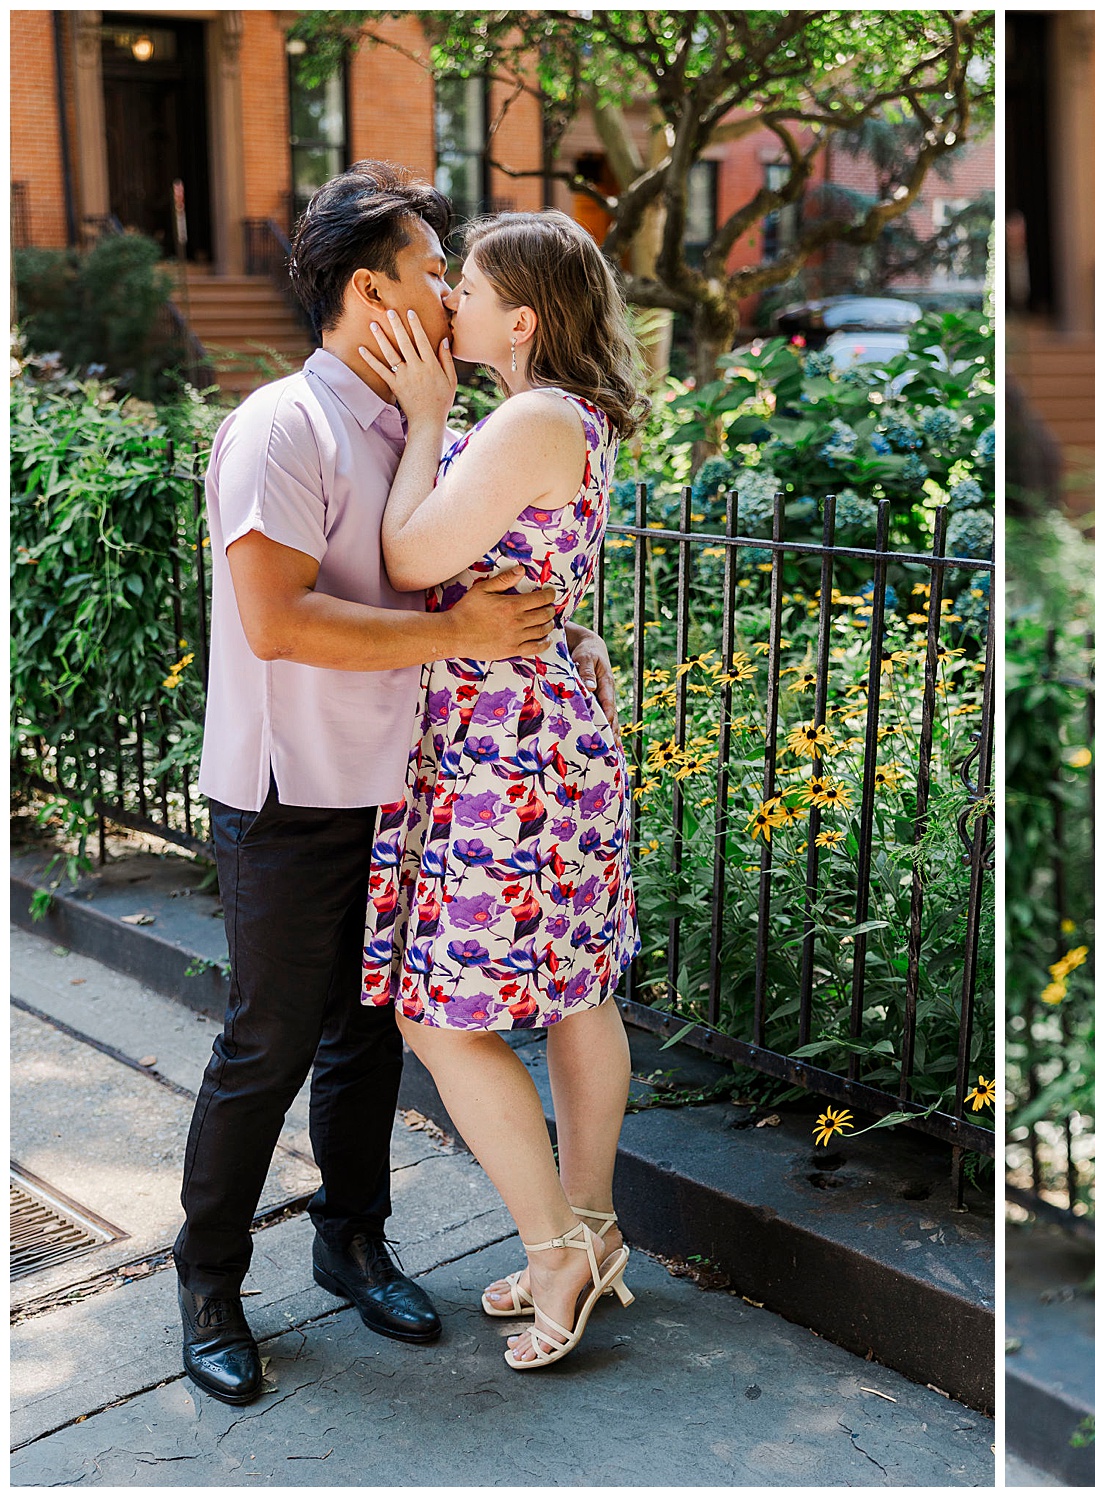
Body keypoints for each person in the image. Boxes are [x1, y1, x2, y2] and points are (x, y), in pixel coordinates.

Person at [180, 163, 617, 1406]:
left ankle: (352, 1245)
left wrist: (555, 631)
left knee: (365, 1038)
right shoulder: (284, 424)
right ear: (368, 288)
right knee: (266, 1045)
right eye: (432, 270)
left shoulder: (420, 427)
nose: (444, 288)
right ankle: (209, 1278)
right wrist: (465, 633)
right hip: (290, 786)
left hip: (401, 786)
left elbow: (483, 564)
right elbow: (276, 621)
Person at [358, 209, 644, 1371]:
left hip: (504, 744)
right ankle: (592, 1229)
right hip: (535, 726)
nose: (447, 304)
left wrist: (425, 418)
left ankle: (555, 1245)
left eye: (464, 289)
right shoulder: (560, 412)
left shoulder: (525, 415)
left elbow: (411, 561)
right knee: (575, 995)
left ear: (520, 319)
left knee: (437, 1013)